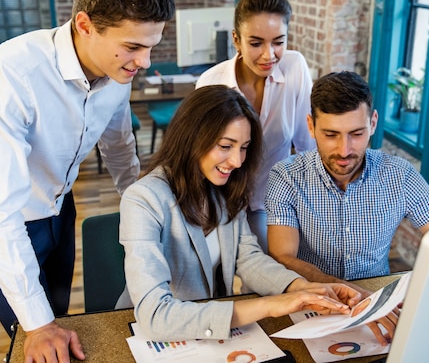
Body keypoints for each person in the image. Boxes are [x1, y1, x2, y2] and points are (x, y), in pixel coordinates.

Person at [0, 0, 175, 362]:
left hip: (59, 204)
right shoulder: (11, 75)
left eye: (150, 47)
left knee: (61, 319)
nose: (144, 62)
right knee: (33, 334)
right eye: (133, 47)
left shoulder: (117, 71)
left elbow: (119, 144)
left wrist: (141, 206)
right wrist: (37, 327)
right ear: (86, 25)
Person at [119, 85, 364, 341]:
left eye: (244, 147)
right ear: (191, 138)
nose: (237, 161)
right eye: (226, 146)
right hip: (143, 336)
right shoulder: (143, 198)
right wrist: (271, 305)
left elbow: (248, 259)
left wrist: (303, 288)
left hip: (204, 334)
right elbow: (156, 315)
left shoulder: (221, 189)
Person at [265, 71, 429, 342]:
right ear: (311, 125)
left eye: (357, 133)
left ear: (373, 123)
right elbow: (283, 257)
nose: (344, 150)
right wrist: (355, 296)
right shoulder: (286, 176)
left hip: (380, 303)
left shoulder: (400, 174)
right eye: (331, 134)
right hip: (312, 302)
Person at [195, 0, 316, 252]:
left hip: (271, 202)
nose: (268, 55)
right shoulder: (211, 83)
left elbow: (308, 145)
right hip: (219, 202)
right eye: (256, 42)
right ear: (236, 40)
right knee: (216, 283)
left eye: (278, 41)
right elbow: (200, 159)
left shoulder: (295, 67)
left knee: (270, 277)